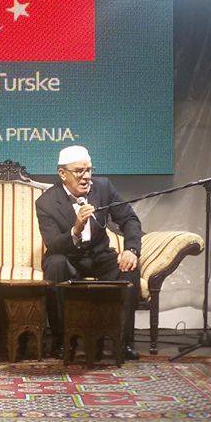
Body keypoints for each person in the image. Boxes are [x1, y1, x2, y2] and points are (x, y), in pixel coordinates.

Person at [35, 145, 143, 359]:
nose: (86, 177)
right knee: (55, 264)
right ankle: (61, 341)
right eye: (79, 171)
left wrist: (131, 250)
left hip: (99, 256)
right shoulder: (46, 202)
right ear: (62, 173)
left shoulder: (103, 187)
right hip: (67, 257)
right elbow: (54, 244)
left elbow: (129, 219)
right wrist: (76, 229)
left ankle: (124, 343)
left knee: (129, 267)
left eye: (89, 170)